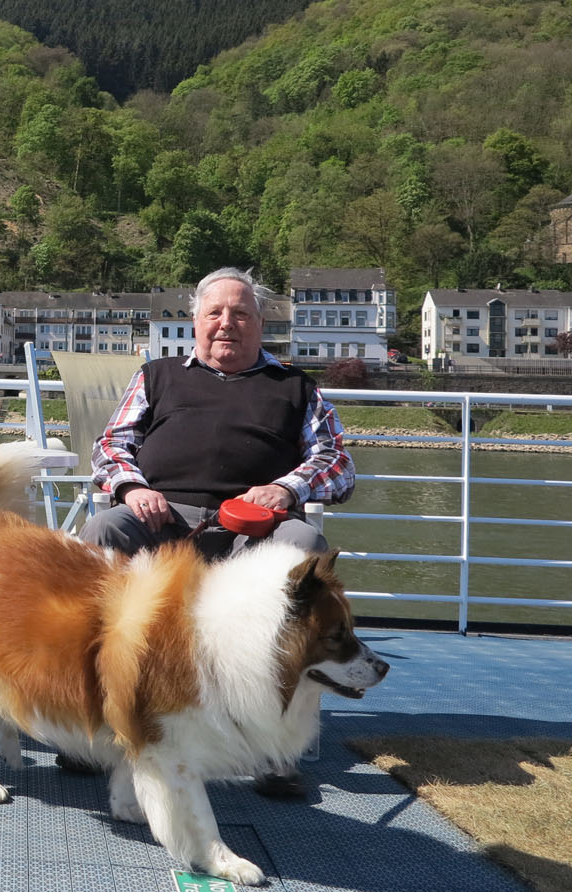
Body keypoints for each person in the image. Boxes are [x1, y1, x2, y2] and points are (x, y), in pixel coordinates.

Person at [73, 266, 356, 797]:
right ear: (196, 321)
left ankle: (278, 749)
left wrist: (289, 489)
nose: (228, 323)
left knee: (305, 550)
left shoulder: (296, 388)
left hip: (253, 528)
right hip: (159, 518)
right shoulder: (157, 375)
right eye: (215, 313)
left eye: (241, 313)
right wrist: (132, 489)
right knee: (104, 527)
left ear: (261, 322)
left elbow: (338, 462)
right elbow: (110, 446)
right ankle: (89, 729)